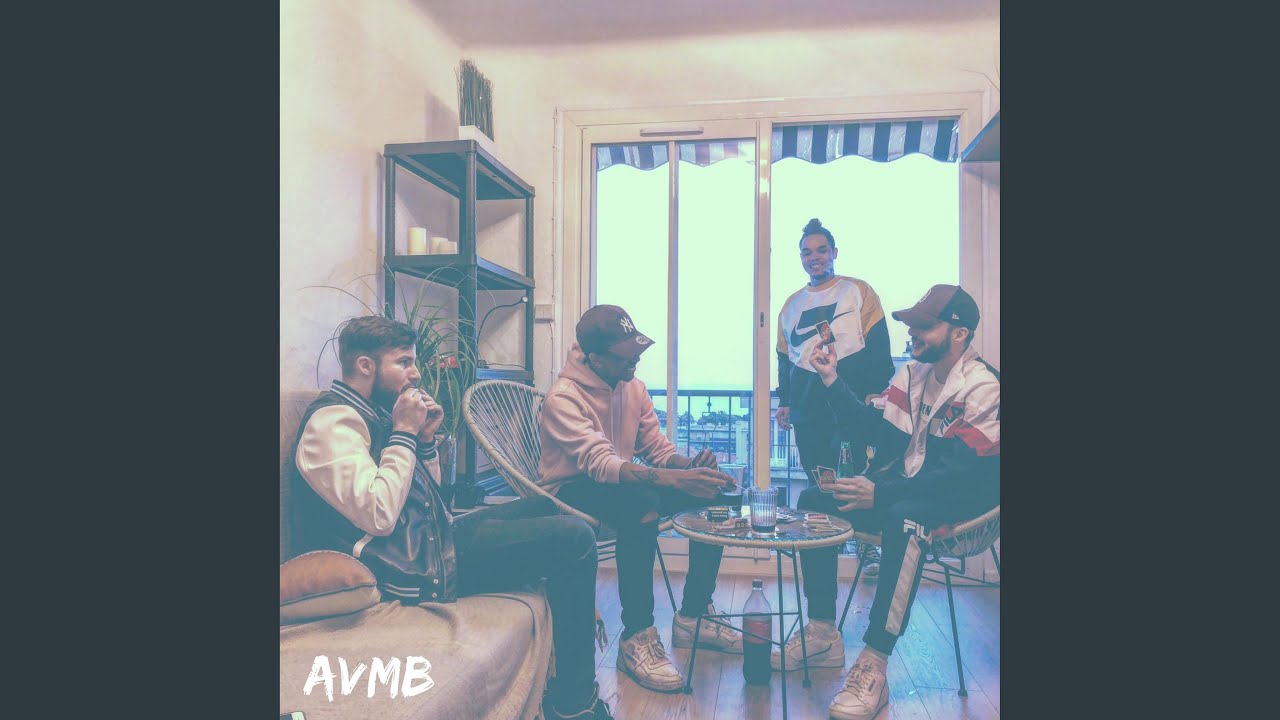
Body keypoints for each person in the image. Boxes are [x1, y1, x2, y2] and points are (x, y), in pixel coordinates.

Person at [288, 316, 612, 720]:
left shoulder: (375, 413)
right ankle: (575, 704)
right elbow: (379, 515)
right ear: (365, 365)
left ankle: (561, 660)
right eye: (403, 362)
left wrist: (424, 442)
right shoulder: (333, 422)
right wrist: (405, 433)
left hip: (425, 540)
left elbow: (431, 502)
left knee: (544, 506)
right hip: (404, 565)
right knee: (575, 539)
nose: (415, 373)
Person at [772, 285, 1000, 720]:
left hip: (963, 502)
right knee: (815, 498)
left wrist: (880, 493)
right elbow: (875, 433)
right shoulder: (911, 375)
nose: (913, 333)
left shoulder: (984, 387)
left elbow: (960, 474)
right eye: (912, 325)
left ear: (959, 333)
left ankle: (874, 663)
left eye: (925, 326)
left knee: (902, 518)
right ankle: (822, 631)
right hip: (907, 490)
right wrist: (831, 378)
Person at [538, 304, 743, 694]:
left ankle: (694, 616)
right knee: (640, 500)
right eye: (625, 357)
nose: (634, 362)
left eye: (636, 352)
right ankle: (637, 635)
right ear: (595, 358)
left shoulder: (633, 387)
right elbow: (601, 464)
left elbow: (657, 450)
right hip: (568, 493)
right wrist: (676, 479)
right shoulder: (562, 398)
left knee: (715, 495)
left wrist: (691, 468)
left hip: (621, 483)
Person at [775, 218, 895, 577]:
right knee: (818, 479)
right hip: (807, 405)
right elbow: (784, 357)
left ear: (834, 253)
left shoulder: (858, 291)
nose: (814, 257)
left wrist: (876, 389)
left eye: (821, 250)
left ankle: (867, 546)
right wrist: (785, 401)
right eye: (807, 252)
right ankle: (823, 546)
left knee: (854, 476)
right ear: (800, 258)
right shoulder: (791, 304)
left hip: (850, 402)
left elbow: (879, 342)